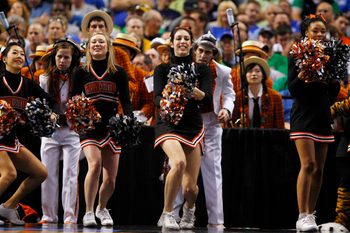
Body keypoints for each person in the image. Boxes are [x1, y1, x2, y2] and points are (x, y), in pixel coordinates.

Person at [162, 31, 235, 229]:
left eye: (208, 52)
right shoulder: (185, 68)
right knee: (178, 167)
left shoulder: (223, 71)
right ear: (195, 51)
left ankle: (216, 221)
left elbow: (229, 94)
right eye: (201, 51)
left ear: (214, 54)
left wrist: (227, 109)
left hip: (211, 126)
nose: (203, 55)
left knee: (213, 174)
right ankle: (172, 215)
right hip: (187, 125)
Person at [70, 32, 133, 227]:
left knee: (111, 178)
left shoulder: (118, 72)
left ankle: (102, 207)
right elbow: (73, 99)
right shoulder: (81, 71)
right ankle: (88, 212)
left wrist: (127, 120)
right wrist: (80, 117)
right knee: (94, 164)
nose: (97, 44)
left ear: (108, 47)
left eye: (101, 42)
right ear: (88, 48)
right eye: (94, 42)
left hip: (112, 127)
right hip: (89, 127)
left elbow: (126, 101)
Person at [154, 27, 213, 230]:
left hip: (193, 127)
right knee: (177, 162)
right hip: (168, 123)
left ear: (191, 44)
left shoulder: (202, 69)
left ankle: (190, 209)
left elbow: (209, 100)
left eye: (186, 39)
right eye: (178, 38)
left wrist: (195, 92)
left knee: (191, 188)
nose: (182, 41)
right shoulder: (161, 69)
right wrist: (170, 99)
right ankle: (167, 213)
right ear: (172, 43)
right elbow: (156, 99)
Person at [288, 14, 341, 231]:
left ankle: (310, 214)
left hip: (321, 115)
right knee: (308, 164)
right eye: (315, 31)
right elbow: (293, 88)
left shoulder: (330, 55)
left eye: (322, 31)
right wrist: (302, 76)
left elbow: (333, 91)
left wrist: (332, 79)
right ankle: (302, 215)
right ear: (306, 33)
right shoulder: (296, 54)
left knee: (319, 169)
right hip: (303, 116)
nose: (319, 34)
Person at [0, 42, 57, 225]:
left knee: (40, 173)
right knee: (9, 174)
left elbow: (50, 101)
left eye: (21, 53)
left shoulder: (27, 83)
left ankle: (8, 207)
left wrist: (52, 113)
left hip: (11, 139)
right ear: (4, 58)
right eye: (14, 53)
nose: (18, 56)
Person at [38, 39, 82, 224]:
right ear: (53, 57)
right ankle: (48, 215)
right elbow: (41, 105)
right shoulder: (44, 79)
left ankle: (70, 216)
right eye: (59, 57)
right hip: (51, 132)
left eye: (66, 57)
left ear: (73, 59)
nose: (62, 60)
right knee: (48, 174)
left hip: (72, 131)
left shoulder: (79, 78)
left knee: (71, 175)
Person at [231, 56, 284, 129]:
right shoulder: (238, 97)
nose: (254, 74)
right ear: (245, 76)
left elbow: (280, 126)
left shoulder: (275, 97)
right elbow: (233, 124)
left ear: (263, 75)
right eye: (250, 71)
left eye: (257, 71)